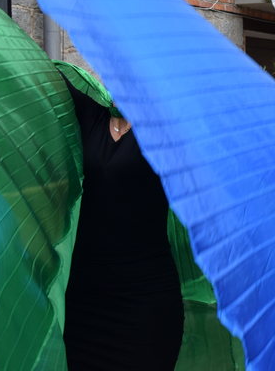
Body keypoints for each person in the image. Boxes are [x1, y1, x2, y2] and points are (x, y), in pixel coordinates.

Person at [59, 64, 184, 370]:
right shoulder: (92, 116)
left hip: (144, 299)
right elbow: (45, 75)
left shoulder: (166, 132)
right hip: (86, 298)